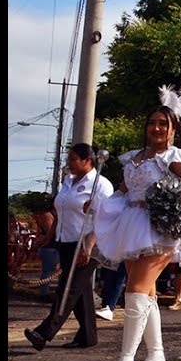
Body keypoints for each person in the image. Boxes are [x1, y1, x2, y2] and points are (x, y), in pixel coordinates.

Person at [91, 83, 181, 361]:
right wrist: (104, 206)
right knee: (146, 293)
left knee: (134, 290)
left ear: (174, 129)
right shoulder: (135, 157)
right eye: (152, 123)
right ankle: (156, 355)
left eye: (163, 124)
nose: (156, 128)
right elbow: (123, 190)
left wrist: (176, 203)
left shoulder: (174, 157)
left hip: (161, 227)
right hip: (131, 226)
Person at [24, 143, 114, 350]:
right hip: (66, 241)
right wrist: (49, 236)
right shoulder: (68, 181)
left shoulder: (101, 185)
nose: (69, 164)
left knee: (68, 289)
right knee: (81, 293)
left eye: (74, 159)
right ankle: (88, 337)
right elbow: (60, 210)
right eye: (69, 159)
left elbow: (104, 220)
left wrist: (88, 246)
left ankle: (44, 333)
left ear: (87, 160)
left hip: (89, 243)